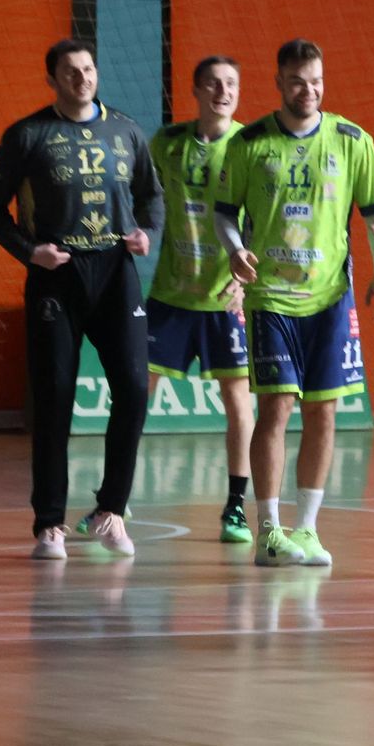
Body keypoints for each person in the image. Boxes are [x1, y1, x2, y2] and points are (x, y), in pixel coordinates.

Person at [0, 38, 163, 559]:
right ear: (52, 79)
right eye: (70, 72)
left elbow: (152, 194)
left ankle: (111, 512)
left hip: (115, 273)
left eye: (87, 68)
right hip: (56, 276)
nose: (82, 78)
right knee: (55, 395)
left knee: (133, 387)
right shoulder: (28, 134)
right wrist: (29, 251)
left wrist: (147, 232)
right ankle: (49, 525)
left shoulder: (126, 130)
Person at [213, 38, 374, 568]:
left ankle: (308, 529)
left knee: (326, 410)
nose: (308, 90)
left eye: (315, 80)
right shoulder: (249, 144)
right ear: (279, 83)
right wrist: (235, 250)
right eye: (297, 81)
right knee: (276, 408)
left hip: (331, 298)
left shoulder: (352, 140)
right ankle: (269, 530)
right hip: (272, 296)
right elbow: (224, 214)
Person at [139, 56, 255, 543]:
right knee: (134, 393)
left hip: (224, 298)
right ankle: (112, 500)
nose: (222, 91)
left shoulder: (251, 144)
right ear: (195, 90)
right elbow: (140, 194)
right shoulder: (166, 144)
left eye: (231, 83)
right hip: (170, 292)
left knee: (237, 402)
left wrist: (246, 281)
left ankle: (235, 508)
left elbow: (261, 217)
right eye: (213, 83)